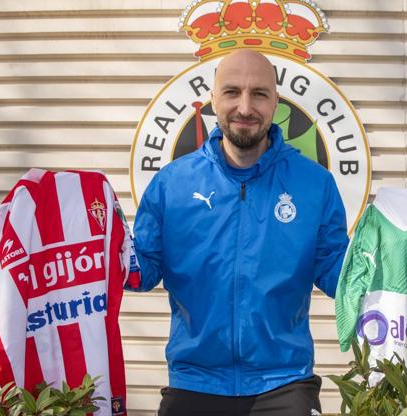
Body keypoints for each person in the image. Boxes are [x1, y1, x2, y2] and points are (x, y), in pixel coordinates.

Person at [129, 49, 349, 416]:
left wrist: (389, 260)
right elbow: (143, 269)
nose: (245, 107)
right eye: (232, 92)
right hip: (194, 380)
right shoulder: (172, 185)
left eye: (259, 94)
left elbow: (337, 273)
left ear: (276, 102)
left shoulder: (315, 184)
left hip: (284, 381)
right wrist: (99, 247)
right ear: (213, 99)